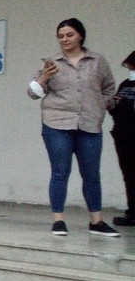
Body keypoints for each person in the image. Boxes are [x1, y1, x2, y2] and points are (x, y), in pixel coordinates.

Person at [26, 18, 118, 237]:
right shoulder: (51, 62)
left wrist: (99, 107)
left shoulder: (97, 61)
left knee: (92, 174)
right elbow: (32, 93)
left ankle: (96, 222)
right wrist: (45, 75)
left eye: (69, 35)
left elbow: (109, 88)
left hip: (89, 123)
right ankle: (58, 220)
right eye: (61, 36)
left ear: (80, 36)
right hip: (57, 124)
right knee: (60, 172)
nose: (64, 39)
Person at [109, 50, 135, 226]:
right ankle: (132, 211)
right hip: (123, 134)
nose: (131, 69)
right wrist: (114, 104)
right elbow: (114, 110)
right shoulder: (126, 83)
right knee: (129, 174)